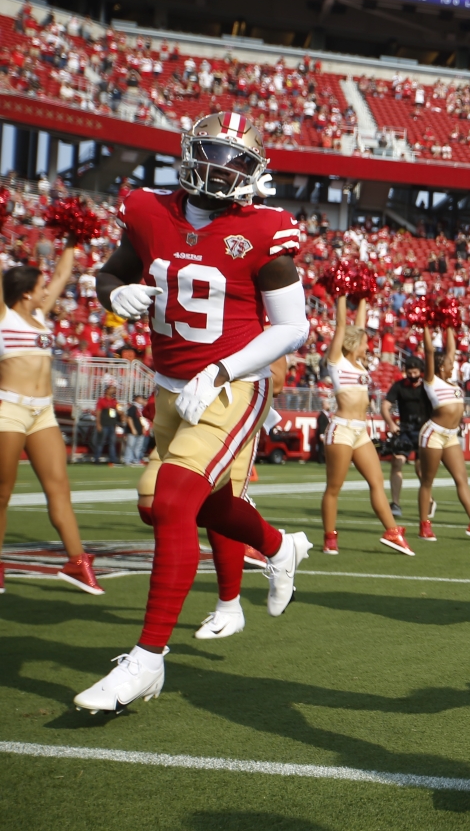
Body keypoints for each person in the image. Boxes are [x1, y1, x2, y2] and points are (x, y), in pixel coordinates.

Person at [75, 111, 312, 712]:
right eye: (209, 151)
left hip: (232, 387)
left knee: (175, 501)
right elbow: (113, 272)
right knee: (187, 503)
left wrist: (223, 368)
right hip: (167, 385)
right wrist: (112, 293)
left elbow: (291, 328)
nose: (218, 167)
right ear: (186, 151)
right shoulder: (149, 210)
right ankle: (280, 546)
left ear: (254, 172)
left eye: (234, 158)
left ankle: (147, 660)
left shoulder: (265, 229)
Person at [135, 356, 289, 641]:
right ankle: (281, 546)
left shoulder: (258, 315)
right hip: (186, 406)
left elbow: (277, 380)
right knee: (150, 498)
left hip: (233, 405)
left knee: (218, 503)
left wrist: (220, 368)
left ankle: (228, 607)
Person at [0, 239, 103, 596]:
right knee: (2, 493)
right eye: (41, 288)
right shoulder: (4, 315)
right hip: (8, 410)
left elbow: (62, 272)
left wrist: (74, 239)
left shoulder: (40, 316)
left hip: (42, 412)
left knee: (59, 488)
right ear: (26, 293)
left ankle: (77, 562)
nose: (49, 291)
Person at [318, 294, 411, 556]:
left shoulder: (359, 364)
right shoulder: (337, 362)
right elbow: (341, 326)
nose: (368, 346)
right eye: (364, 343)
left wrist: (362, 297)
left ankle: (392, 531)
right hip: (342, 428)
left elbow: (358, 324)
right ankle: (330, 537)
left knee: (377, 481)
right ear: (352, 344)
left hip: (360, 431)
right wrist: (342, 294)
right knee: (334, 487)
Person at [416, 325, 470, 543]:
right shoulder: (432, 380)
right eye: (449, 364)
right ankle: (424, 525)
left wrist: (448, 324)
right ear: (440, 367)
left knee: (462, 479)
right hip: (433, 434)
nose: (453, 365)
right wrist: (426, 326)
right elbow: (430, 352)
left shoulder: (452, 381)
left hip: (450, 436)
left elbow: (452, 349)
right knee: (427, 482)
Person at [381, 358, 430, 517]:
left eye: (415, 373)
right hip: (405, 431)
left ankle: (428, 499)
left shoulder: (426, 387)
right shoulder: (399, 386)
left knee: (421, 470)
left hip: (423, 430)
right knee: (397, 462)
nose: (412, 375)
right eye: (410, 373)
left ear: (420, 372)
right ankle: (395, 503)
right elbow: (385, 406)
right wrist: (391, 424)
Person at [93, 384, 122, 465]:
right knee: (100, 442)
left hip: (112, 425)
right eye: (112, 389)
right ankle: (96, 458)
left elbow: (119, 410)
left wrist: (121, 411)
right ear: (107, 390)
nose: (113, 390)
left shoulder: (114, 401)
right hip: (104, 424)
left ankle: (112, 459)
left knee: (112, 443)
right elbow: (98, 412)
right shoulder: (101, 400)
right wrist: (98, 424)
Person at [123, 394, 148, 466]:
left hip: (140, 430)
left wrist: (143, 428)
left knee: (138, 446)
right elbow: (129, 418)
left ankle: (135, 460)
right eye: (140, 399)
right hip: (133, 431)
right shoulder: (133, 408)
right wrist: (133, 428)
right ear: (136, 399)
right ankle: (128, 460)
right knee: (131, 445)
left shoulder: (140, 409)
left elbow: (142, 420)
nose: (142, 400)